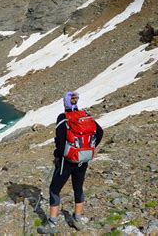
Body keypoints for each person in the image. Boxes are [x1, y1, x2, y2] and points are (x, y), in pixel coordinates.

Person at [38, 92, 103, 234]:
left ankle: (52, 223)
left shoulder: (63, 118)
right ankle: (77, 219)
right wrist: (88, 148)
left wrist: (58, 155)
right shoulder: (84, 115)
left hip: (66, 161)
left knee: (55, 189)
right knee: (78, 188)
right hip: (83, 159)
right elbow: (100, 132)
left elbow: (60, 142)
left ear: (65, 103)